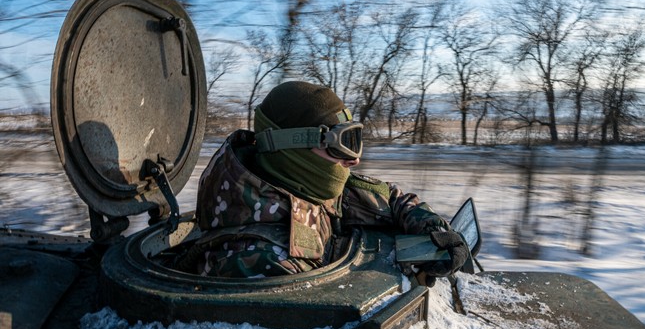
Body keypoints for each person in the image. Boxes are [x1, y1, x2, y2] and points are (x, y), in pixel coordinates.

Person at [179, 80, 468, 283]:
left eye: (355, 140)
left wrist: (433, 230)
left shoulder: (302, 185)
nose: (353, 160)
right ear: (292, 148)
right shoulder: (259, 259)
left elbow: (388, 198)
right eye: (340, 143)